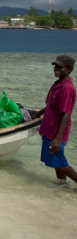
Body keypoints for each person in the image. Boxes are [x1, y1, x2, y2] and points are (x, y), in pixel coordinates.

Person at [35, 55, 77, 190]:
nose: (56, 69)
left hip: (56, 132)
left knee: (59, 161)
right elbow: (52, 105)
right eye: (55, 66)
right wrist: (41, 112)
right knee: (55, 160)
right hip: (49, 128)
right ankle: (62, 184)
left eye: (60, 67)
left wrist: (58, 138)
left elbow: (66, 114)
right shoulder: (58, 83)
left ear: (69, 69)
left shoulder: (67, 89)